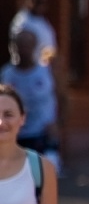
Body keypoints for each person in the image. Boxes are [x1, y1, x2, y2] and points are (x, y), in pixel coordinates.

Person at [2, 30, 60, 165]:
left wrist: (58, 123)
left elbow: (62, 97)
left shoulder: (46, 71)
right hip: (17, 135)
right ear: (14, 47)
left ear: (34, 46)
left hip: (43, 134)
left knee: (45, 175)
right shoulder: (7, 74)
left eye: (27, 45)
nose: (23, 49)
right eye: (20, 45)